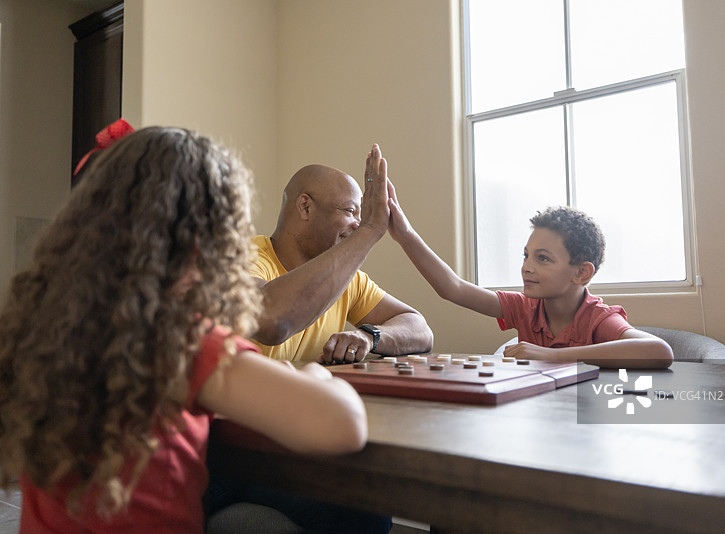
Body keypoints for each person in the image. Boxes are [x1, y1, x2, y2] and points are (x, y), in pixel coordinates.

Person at [0, 126, 369, 533]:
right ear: (205, 243)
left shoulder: (40, 327)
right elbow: (345, 425)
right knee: (360, 511)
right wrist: (315, 374)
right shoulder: (183, 343)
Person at [387, 184, 674, 369]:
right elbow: (453, 288)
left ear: (582, 272)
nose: (527, 267)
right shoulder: (526, 308)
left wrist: (550, 355)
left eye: (543, 258)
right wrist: (405, 236)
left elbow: (659, 351)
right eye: (526, 255)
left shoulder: (598, 318)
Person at [249, 144, 434, 364]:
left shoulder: (347, 278)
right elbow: (272, 321)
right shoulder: (241, 259)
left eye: (361, 215)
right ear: (305, 207)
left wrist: (369, 336)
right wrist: (370, 230)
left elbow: (419, 329)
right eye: (350, 211)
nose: (358, 224)